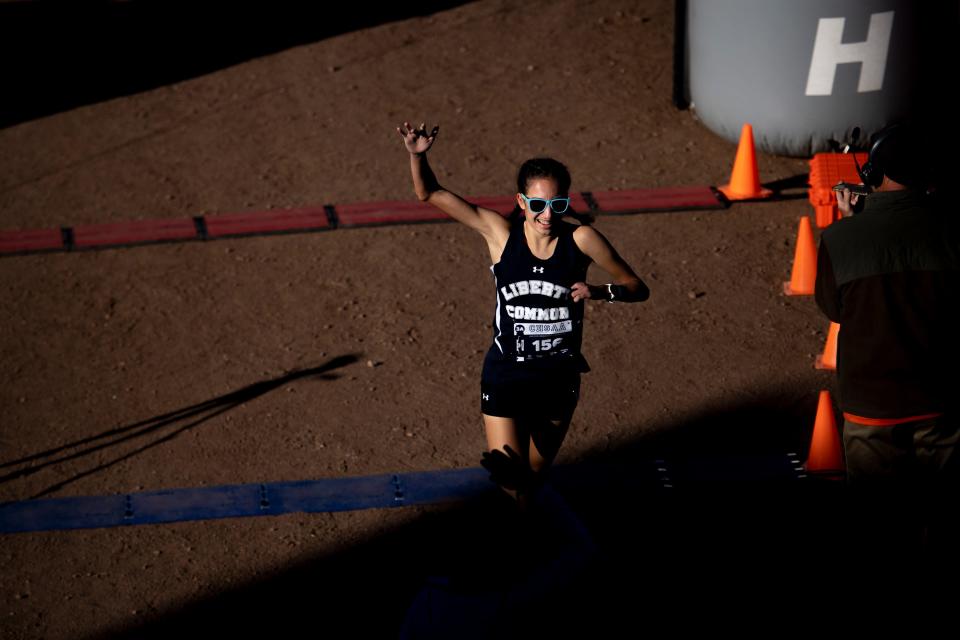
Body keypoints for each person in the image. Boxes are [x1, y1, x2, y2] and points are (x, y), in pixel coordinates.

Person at [397, 121, 649, 503]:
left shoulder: (582, 240)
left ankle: (526, 534)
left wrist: (601, 290)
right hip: (506, 374)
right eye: (537, 204)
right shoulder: (500, 236)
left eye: (557, 205)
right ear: (521, 202)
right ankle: (517, 549)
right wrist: (418, 156)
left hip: (557, 377)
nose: (547, 215)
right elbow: (429, 192)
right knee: (510, 478)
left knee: (532, 476)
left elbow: (637, 288)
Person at [814, 123, 960, 553]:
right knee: (944, 514)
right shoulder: (952, 228)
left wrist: (851, 226)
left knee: (877, 525)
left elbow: (834, 309)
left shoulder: (842, 239)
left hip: (871, 405)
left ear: (873, 173)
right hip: (941, 397)